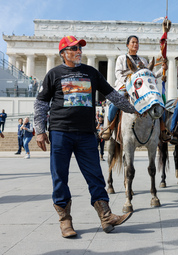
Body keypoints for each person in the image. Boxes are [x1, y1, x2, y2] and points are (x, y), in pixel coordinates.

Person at [34, 35, 135, 238]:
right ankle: (65, 220)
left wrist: (133, 109)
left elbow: (112, 94)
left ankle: (106, 216)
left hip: (87, 134)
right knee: (60, 176)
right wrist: (39, 130)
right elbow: (41, 102)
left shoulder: (91, 72)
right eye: (74, 48)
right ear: (63, 53)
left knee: (95, 176)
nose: (79, 51)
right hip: (60, 131)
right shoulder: (54, 74)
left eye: (80, 48)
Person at [102, 35, 169, 141]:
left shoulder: (142, 60)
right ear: (127, 45)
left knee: (158, 102)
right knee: (116, 101)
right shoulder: (121, 58)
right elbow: (118, 73)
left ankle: (162, 129)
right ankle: (109, 127)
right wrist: (128, 82)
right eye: (133, 42)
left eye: (137, 42)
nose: (135, 44)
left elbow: (150, 75)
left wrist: (162, 70)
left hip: (140, 89)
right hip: (125, 87)